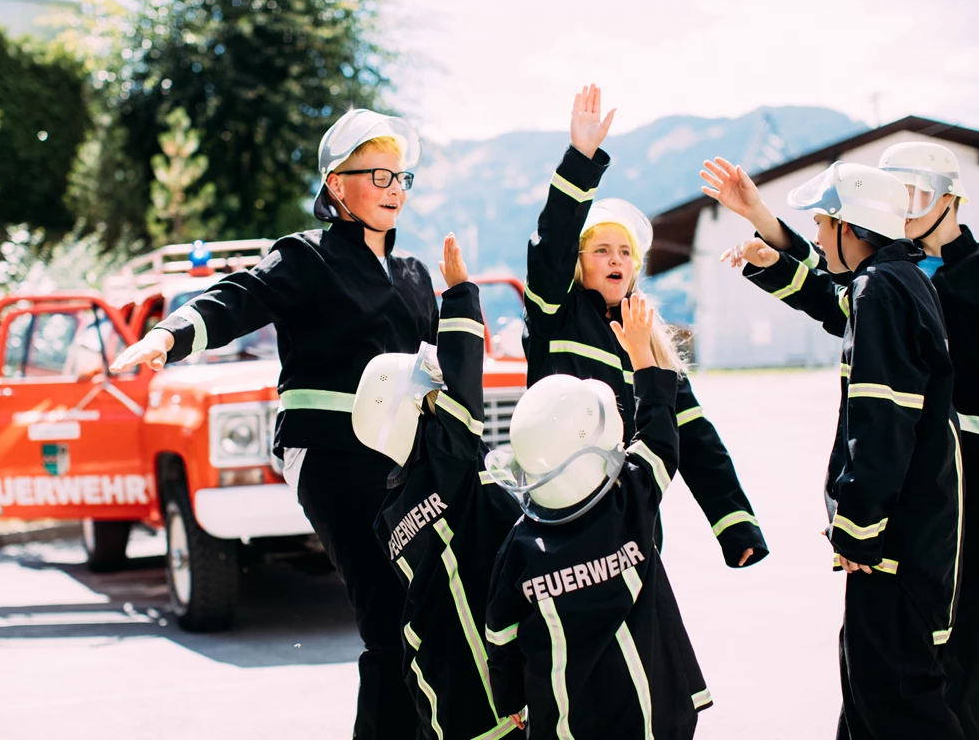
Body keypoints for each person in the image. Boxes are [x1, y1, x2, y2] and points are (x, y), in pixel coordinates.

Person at [110, 109, 437, 739]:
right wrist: (168, 334)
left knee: (429, 617)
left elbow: (439, 367)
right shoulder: (306, 257)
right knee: (392, 619)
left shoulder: (416, 276)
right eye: (379, 174)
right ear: (338, 186)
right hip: (333, 456)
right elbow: (240, 297)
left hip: (407, 463)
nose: (396, 187)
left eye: (403, 176)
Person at [713, 142, 979, 739]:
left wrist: (859, 520)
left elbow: (880, 403)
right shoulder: (898, 277)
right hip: (915, 495)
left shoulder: (971, 277)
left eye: (915, 195)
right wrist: (764, 227)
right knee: (892, 674)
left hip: (969, 501)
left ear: (950, 200)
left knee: (959, 667)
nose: (905, 208)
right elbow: (835, 293)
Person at [524, 84, 768, 569]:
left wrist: (734, 522)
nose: (616, 260)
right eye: (601, 250)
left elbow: (696, 438)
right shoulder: (557, 311)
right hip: (558, 520)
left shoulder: (650, 340)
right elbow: (551, 240)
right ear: (579, 264)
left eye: (625, 253)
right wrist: (581, 157)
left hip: (634, 527)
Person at [485, 294, 712, 739]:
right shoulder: (629, 499)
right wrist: (643, 356)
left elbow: (500, 636)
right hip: (657, 713)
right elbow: (661, 436)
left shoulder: (520, 547)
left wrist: (509, 699)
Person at [352, 234, 523, 740]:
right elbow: (467, 378)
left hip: (453, 704)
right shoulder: (448, 461)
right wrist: (461, 293)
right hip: (500, 692)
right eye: (429, 388)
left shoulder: (391, 515)